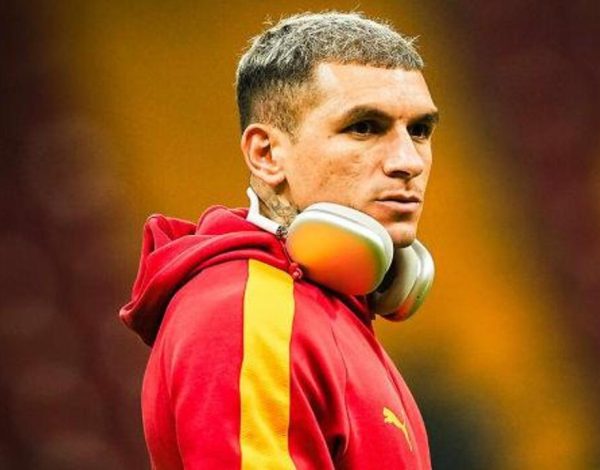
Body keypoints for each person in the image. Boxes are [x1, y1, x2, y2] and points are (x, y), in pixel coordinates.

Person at [119, 11, 438, 469]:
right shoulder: (246, 315)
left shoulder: (318, 307)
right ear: (266, 154)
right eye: (364, 127)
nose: (408, 161)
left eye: (420, 130)